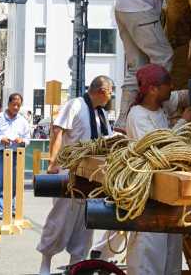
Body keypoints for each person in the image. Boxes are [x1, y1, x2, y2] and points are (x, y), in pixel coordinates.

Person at [37, 75, 116, 275]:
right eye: (110, 92)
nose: (111, 96)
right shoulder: (75, 105)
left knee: (85, 223)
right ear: (102, 91)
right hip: (70, 171)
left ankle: (76, 264)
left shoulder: (101, 114)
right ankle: (45, 261)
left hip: (93, 175)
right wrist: (53, 162)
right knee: (60, 219)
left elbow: (106, 141)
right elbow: (58, 131)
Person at [124, 65, 191, 275]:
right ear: (153, 89)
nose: (171, 87)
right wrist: (184, 122)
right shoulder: (138, 115)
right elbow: (158, 150)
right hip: (149, 194)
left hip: (168, 192)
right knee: (148, 250)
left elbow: (181, 96)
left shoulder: (161, 106)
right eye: (167, 84)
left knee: (170, 254)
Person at [0, 92, 32, 220]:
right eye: (14, 104)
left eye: (18, 105)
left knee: (14, 182)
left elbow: (27, 139)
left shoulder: (23, 121)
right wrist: (1, 139)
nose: (16, 107)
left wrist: (22, 141)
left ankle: (11, 208)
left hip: (16, 154)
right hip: (1, 152)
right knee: (0, 181)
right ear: (9, 104)